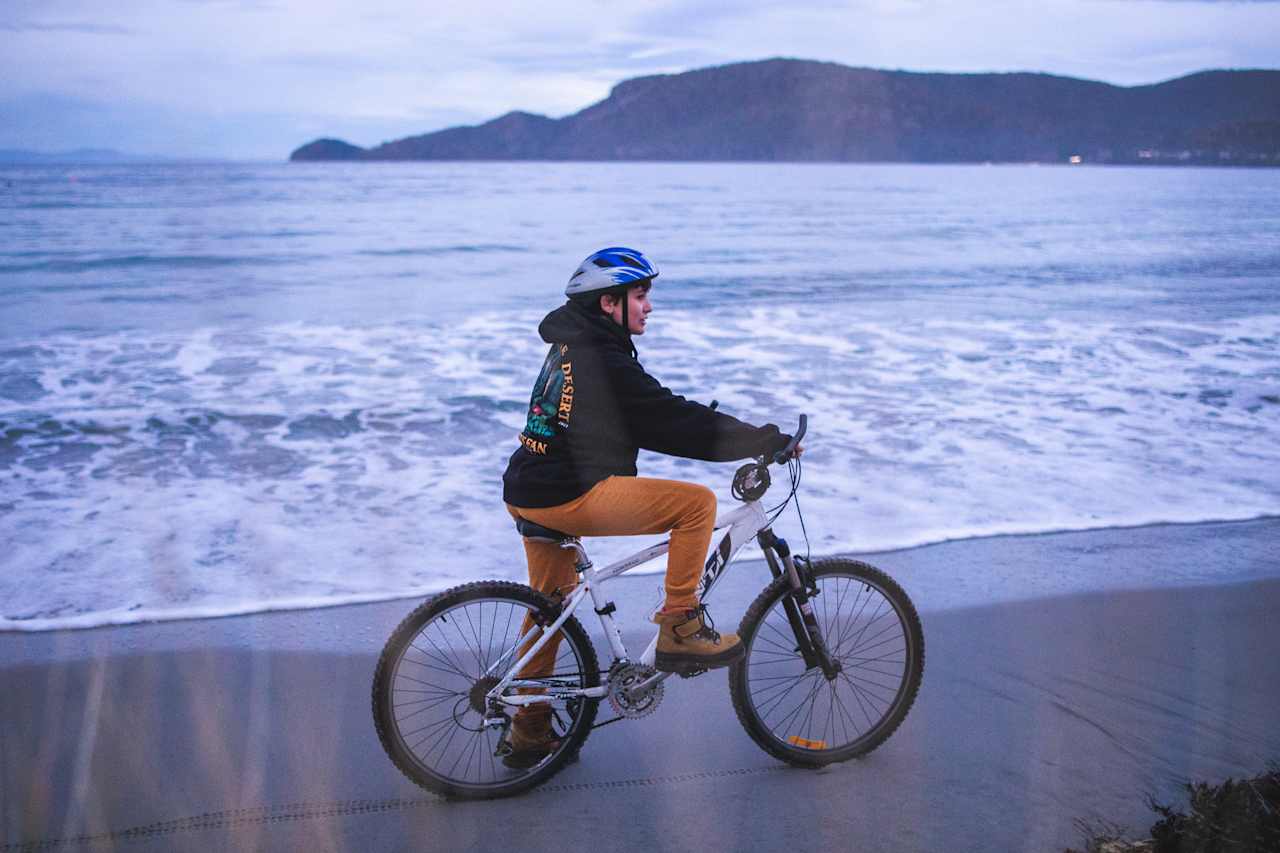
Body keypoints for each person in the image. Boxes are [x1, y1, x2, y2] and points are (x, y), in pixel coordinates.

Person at [501, 246, 797, 766]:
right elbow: (666, 418)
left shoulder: (576, 342)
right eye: (640, 295)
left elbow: (658, 414)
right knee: (695, 505)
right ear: (608, 303)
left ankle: (529, 728)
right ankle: (680, 625)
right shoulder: (602, 357)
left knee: (550, 610)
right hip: (569, 492)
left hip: (528, 486)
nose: (649, 307)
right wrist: (760, 440)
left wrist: (727, 433)